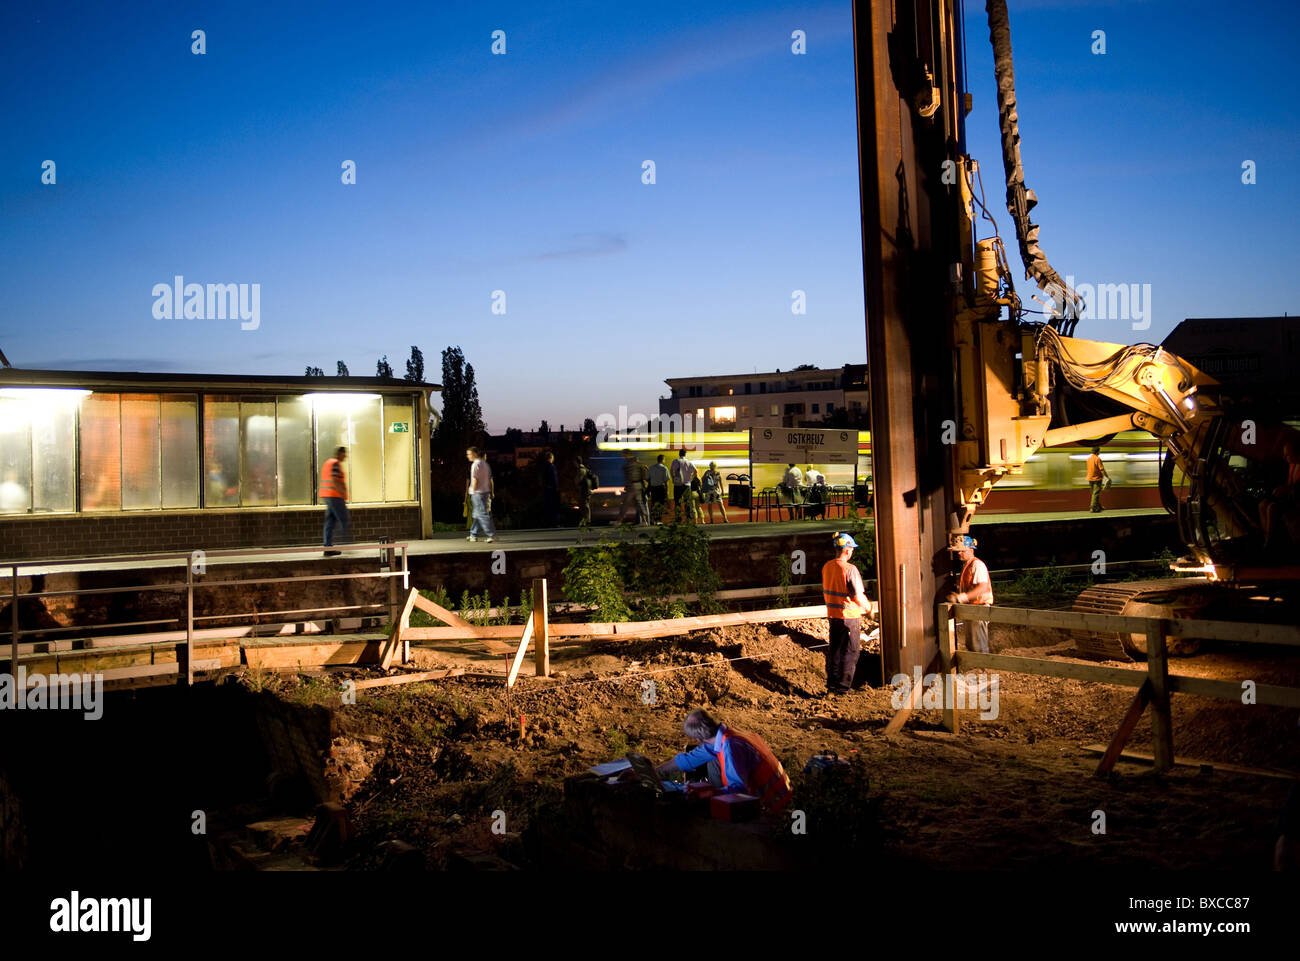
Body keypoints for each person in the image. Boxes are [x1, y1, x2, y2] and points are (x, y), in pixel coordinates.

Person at [655, 708, 792, 813]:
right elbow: (689, 759)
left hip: (771, 806)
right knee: (713, 762)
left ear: (697, 739)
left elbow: (739, 791)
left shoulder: (731, 747)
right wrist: (657, 771)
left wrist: (708, 792)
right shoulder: (725, 737)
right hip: (780, 795)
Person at [821, 531, 870, 694]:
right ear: (847, 550)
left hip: (833, 617)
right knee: (850, 653)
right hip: (849, 618)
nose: (852, 551)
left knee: (835, 652)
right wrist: (869, 609)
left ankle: (832, 686)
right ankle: (843, 689)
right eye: (852, 549)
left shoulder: (827, 567)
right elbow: (858, 597)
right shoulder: (850, 569)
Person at [946, 535, 993, 653]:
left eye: (962, 550)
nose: (959, 553)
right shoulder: (968, 566)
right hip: (972, 608)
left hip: (979, 608)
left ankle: (983, 668)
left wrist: (962, 597)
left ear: (971, 550)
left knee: (979, 646)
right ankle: (979, 669)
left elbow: (982, 587)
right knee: (972, 644)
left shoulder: (977, 565)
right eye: (958, 551)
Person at [1261, 440, 1300, 550]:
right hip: (1290, 498)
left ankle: (1270, 542)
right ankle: (1267, 537)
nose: (1284, 457)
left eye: (1287, 454)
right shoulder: (1292, 465)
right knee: (1262, 505)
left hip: (1296, 502)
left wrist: (1287, 489)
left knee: (1272, 508)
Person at [320, 446, 349, 555]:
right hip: (335, 496)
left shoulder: (329, 462)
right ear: (340, 453)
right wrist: (341, 492)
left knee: (330, 521)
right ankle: (346, 542)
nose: (345, 456)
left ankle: (328, 548)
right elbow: (335, 480)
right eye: (344, 454)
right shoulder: (335, 463)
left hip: (328, 495)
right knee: (344, 519)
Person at [466, 446, 496, 542]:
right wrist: (491, 492)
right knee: (477, 514)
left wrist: (473, 490)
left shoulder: (475, 465)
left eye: (469, 454)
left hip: (477, 493)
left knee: (482, 514)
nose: (468, 456)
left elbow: (475, 479)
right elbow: (489, 479)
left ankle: (491, 535)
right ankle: (473, 534)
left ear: (475, 454)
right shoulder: (485, 464)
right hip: (485, 492)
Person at [618, 449, 648, 525]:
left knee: (626, 503)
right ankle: (644, 521)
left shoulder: (630, 463)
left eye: (623, 454)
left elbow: (630, 474)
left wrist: (627, 485)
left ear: (626, 454)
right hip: (637, 485)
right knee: (639, 503)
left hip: (633, 485)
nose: (622, 456)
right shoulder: (638, 463)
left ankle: (619, 521)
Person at [670, 448, 697, 521]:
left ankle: (678, 518)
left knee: (677, 501)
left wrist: (673, 478)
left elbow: (671, 470)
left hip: (677, 485)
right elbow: (695, 471)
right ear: (685, 454)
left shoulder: (675, 461)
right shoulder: (689, 462)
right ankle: (688, 517)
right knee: (687, 502)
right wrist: (691, 479)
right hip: (687, 485)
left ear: (679, 454)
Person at [646, 454, 670, 524]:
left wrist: (653, 481)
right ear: (663, 460)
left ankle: (653, 519)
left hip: (653, 488)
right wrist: (667, 491)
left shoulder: (651, 468)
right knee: (660, 504)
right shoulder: (664, 468)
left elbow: (647, 478)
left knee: (653, 503)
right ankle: (658, 520)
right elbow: (666, 481)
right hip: (661, 488)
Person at [575, 458, 599, 528]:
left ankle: (587, 521)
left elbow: (578, 480)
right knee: (584, 505)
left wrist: (575, 482)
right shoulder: (584, 468)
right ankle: (586, 520)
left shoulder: (581, 470)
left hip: (584, 490)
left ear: (577, 462)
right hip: (587, 490)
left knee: (584, 505)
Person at [1086, 446, 1109, 513]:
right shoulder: (1097, 459)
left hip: (1090, 478)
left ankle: (1098, 506)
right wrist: (1107, 477)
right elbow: (1102, 469)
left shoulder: (1088, 459)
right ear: (1097, 451)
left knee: (1094, 493)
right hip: (1097, 478)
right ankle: (1092, 507)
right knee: (1096, 493)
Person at [540, 451, 560, 527]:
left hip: (545, 489)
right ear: (551, 458)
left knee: (547, 506)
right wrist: (556, 488)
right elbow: (554, 479)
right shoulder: (551, 466)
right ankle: (554, 522)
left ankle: (547, 522)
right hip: (552, 489)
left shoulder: (543, 467)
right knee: (553, 506)